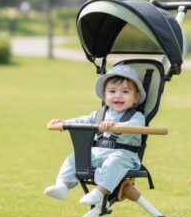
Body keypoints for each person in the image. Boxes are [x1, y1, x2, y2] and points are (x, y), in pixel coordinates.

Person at [44, 65, 146, 206]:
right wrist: (63, 123)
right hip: (97, 153)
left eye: (125, 91)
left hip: (123, 156)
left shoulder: (136, 116)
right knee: (74, 157)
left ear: (136, 97)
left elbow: (134, 126)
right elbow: (82, 120)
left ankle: (100, 191)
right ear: (104, 96)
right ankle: (62, 186)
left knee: (113, 162)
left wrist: (116, 126)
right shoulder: (99, 114)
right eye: (112, 91)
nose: (118, 95)